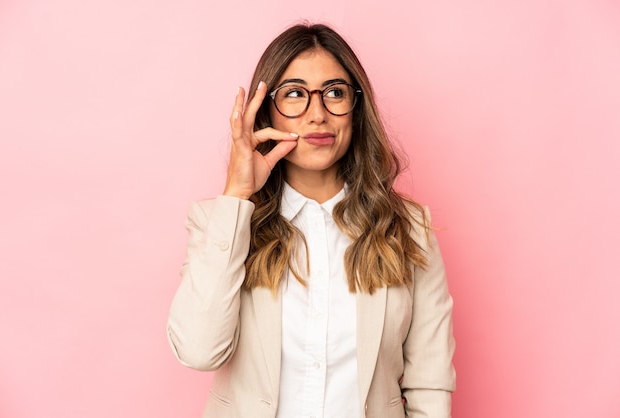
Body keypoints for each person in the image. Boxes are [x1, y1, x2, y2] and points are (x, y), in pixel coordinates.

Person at [167, 23, 455, 418]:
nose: (317, 115)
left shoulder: (409, 227)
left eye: (335, 93)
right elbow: (199, 351)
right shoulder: (217, 221)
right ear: (266, 110)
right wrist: (237, 195)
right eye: (295, 95)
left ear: (355, 109)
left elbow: (429, 382)